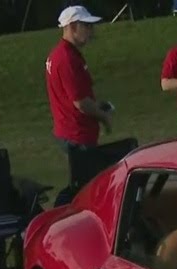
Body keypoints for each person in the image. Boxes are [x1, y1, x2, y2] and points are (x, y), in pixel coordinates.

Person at [45, 5, 114, 175]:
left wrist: (96, 106)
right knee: (88, 183)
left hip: (70, 131)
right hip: (77, 134)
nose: (91, 31)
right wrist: (103, 116)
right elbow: (81, 103)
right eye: (87, 26)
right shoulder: (67, 58)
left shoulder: (60, 54)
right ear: (73, 26)